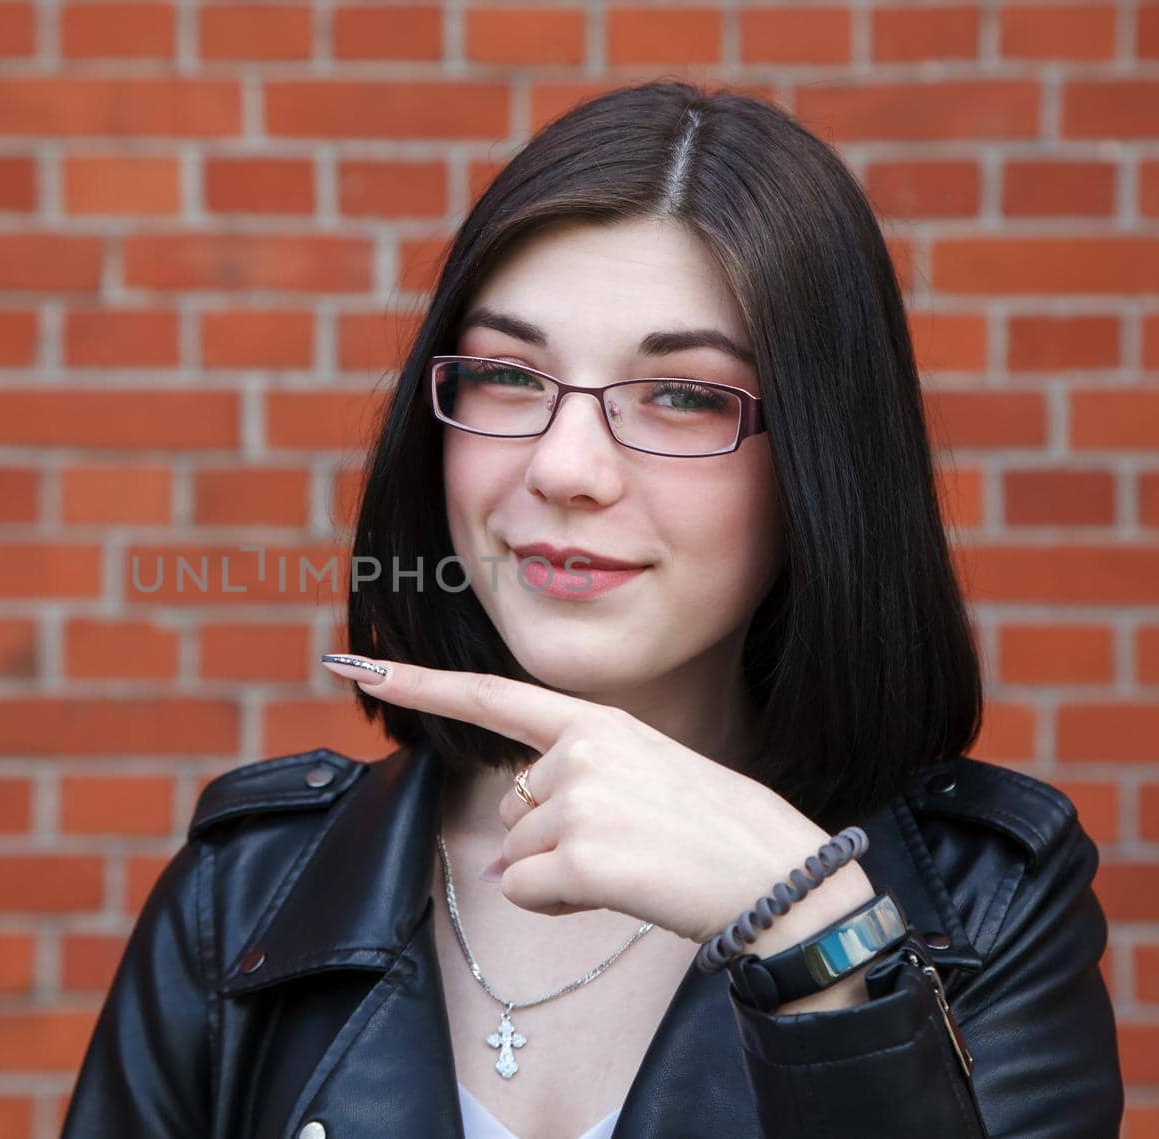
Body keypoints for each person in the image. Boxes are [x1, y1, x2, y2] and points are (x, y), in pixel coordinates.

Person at [57, 79, 1124, 1138]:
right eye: (507, 375)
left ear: (823, 458)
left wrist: (812, 937)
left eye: (685, 392)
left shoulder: (984, 908)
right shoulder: (244, 896)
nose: (565, 467)